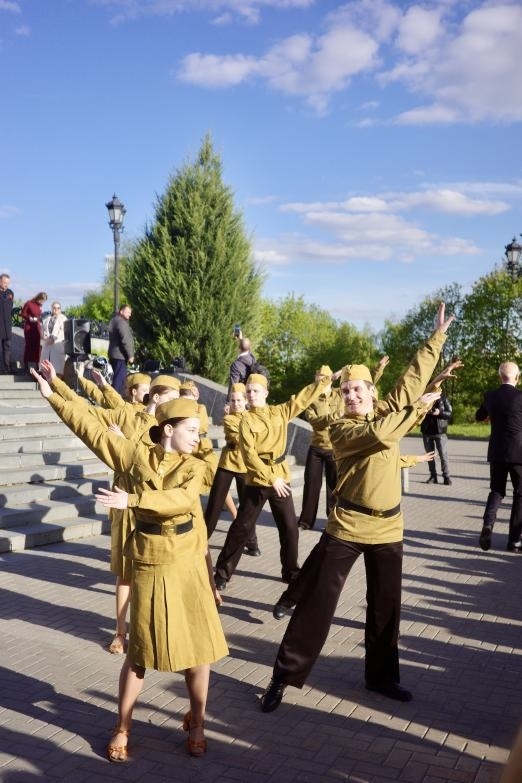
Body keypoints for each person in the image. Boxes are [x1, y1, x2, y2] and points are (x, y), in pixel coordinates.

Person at [260, 303, 454, 712]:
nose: (350, 395)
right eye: (345, 390)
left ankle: (381, 678)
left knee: (386, 607)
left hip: (389, 527)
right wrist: (419, 408)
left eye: (357, 389)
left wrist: (435, 340)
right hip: (347, 526)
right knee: (317, 605)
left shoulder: (387, 410)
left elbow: (409, 382)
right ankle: (283, 676)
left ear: (372, 393)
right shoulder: (341, 429)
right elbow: (383, 434)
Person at [31, 367, 228, 761]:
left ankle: (198, 722)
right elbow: (91, 429)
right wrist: (53, 393)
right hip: (151, 561)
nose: (198, 437)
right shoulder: (135, 455)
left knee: (197, 649)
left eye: (199, 431)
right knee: (139, 653)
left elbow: (181, 501)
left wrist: (133, 501)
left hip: (187, 561)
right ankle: (122, 726)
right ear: (168, 429)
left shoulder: (195, 466)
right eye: (192, 430)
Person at [213, 371, 332, 590]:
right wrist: (271, 478)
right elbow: (249, 455)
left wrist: (325, 381)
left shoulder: (280, 411)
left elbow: (303, 398)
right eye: (248, 391)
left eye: (255, 391)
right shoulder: (245, 420)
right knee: (241, 528)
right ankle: (221, 573)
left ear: (266, 393)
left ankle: (290, 571)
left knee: (290, 528)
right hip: (258, 480)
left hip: (280, 478)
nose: (251, 395)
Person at [204, 383, 261, 555]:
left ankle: (252, 543)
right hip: (227, 463)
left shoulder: (253, 416)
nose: (235, 403)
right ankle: (201, 540)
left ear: (246, 401)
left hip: (245, 465)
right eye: (232, 400)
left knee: (247, 507)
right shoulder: (228, 418)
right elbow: (241, 438)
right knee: (215, 503)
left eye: (239, 400)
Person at [476, 361, 522, 553]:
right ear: (517, 377)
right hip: (519, 453)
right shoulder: (520, 397)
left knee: (496, 490)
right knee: (520, 494)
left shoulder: (490, 396)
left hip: (496, 452)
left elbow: (479, 416)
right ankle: (515, 541)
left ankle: (488, 525)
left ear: (499, 377)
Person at [297, 365, 343, 531]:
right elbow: (315, 422)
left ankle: (332, 522)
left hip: (334, 448)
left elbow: (363, 383)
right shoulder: (311, 399)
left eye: (324, 377)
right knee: (311, 485)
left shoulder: (339, 394)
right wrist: (335, 416)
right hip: (316, 448)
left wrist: (378, 369)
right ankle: (305, 521)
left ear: (330, 379)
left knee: (333, 487)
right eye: (318, 377)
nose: (320, 380)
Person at [420, 394, 453, 485]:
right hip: (427, 431)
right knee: (429, 456)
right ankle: (433, 476)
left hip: (440, 432)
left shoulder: (443, 399)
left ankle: (446, 477)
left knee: (443, 455)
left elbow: (449, 414)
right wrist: (425, 411)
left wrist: (440, 412)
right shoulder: (424, 398)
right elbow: (416, 412)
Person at [108, 304, 135, 394]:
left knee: (117, 377)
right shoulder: (121, 322)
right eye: (128, 312)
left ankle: (114, 395)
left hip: (113, 354)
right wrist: (130, 355)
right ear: (121, 311)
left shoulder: (114, 320)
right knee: (119, 380)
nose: (130, 315)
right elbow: (125, 339)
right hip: (120, 355)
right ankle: (115, 397)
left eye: (130, 313)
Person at [21, 292, 47, 371]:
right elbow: (22, 313)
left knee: (37, 346)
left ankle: (36, 365)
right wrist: (29, 318)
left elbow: (39, 316)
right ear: (38, 298)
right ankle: (26, 365)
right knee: (29, 346)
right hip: (29, 327)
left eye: (44, 301)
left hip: (37, 327)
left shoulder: (40, 306)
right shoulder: (29, 303)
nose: (42, 302)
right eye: (42, 300)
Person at [40, 302, 67, 376]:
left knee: (57, 368)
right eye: (54, 308)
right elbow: (43, 329)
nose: (56, 310)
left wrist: (53, 338)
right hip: (47, 344)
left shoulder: (63, 318)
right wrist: (44, 337)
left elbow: (63, 331)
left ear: (60, 309)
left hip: (57, 345)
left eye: (58, 308)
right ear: (52, 309)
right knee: (46, 366)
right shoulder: (47, 319)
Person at [0, 273, 14, 373]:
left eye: (8, 283)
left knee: (7, 348)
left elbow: (9, 305)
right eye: (5, 282)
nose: (6, 285)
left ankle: (6, 368)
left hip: (7, 326)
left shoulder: (10, 293)